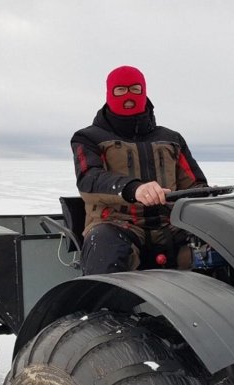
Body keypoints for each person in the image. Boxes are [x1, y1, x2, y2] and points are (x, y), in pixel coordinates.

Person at [71, 65, 208, 275]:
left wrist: (205, 194)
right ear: (110, 93)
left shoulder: (172, 139)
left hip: (171, 227)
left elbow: (195, 183)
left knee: (222, 245)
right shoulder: (88, 138)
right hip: (117, 224)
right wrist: (133, 189)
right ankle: (100, 306)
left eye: (135, 89)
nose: (128, 96)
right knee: (105, 244)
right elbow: (89, 179)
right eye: (120, 90)